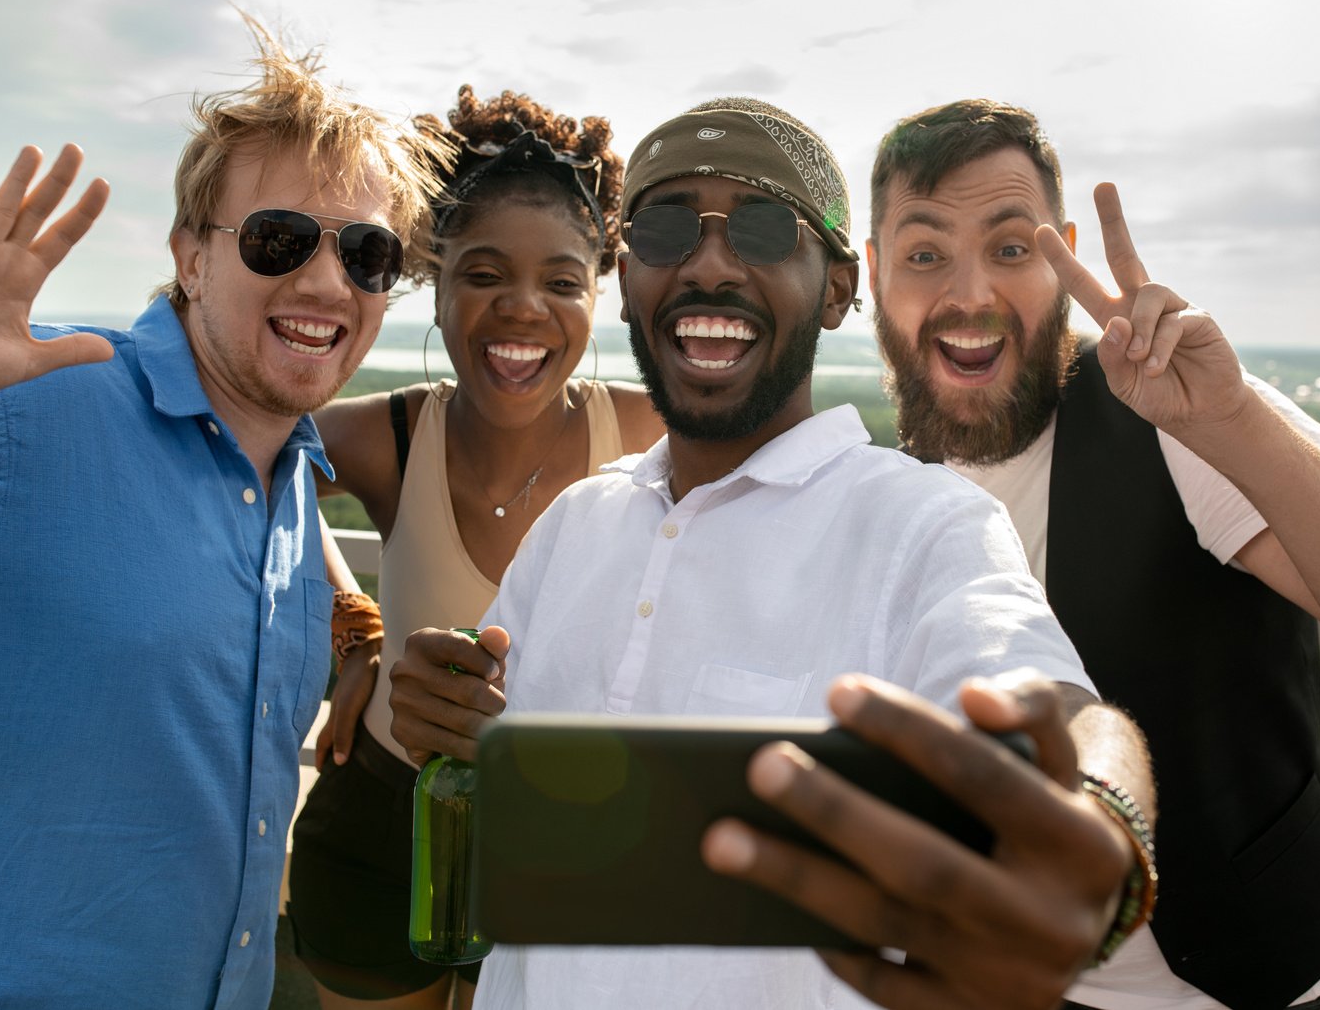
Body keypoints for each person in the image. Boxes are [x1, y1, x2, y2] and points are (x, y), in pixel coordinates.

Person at [388, 98, 1160, 1010]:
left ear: (837, 287)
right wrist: (438, 703)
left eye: (762, 227)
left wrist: (1098, 819)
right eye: (668, 226)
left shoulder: (920, 524)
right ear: (629, 277)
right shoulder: (573, 524)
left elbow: (1054, 701)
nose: (710, 262)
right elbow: (493, 760)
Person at [858, 99, 1320, 1010]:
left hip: (1249, 983)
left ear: (1062, 254)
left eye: (1009, 247)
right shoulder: (889, 488)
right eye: (925, 255)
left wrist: (1233, 422)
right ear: (876, 274)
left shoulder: (1180, 416)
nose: (969, 295)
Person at [0, 24, 448, 1009]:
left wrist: (360, 640)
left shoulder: (288, 490)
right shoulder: (11, 413)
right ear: (190, 254)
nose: (324, 282)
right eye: (279, 238)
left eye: (365, 253)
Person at [286, 86, 664, 1010]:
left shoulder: (651, 436)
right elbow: (249, 465)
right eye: (485, 274)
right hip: (380, 826)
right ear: (435, 276)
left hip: (570, 846)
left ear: (598, 289)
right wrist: (354, 626)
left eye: (563, 281)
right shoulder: (391, 438)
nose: (523, 309)